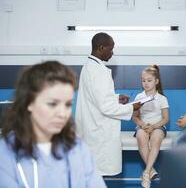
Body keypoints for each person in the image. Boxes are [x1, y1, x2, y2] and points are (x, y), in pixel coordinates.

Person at [0, 61, 106, 188]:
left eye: (67, 104)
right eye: (52, 104)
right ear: (29, 103)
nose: (63, 114)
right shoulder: (6, 152)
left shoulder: (77, 148)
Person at [75, 32, 142, 176]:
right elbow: (105, 107)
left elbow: (95, 98)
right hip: (99, 132)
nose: (112, 53)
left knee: (91, 173)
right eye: (110, 49)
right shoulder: (98, 71)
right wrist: (132, 107)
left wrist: (116, 97)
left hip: (92, 128)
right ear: (101, 48)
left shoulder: (88, 67)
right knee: (97, 173)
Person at [132, 65, 169, 188]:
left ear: (156, 81)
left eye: (149, 80)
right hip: (143, 127)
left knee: (156, 138)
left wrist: (153, 127)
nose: (146, 83)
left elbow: (165, 118)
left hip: (157, 127)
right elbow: (135, 117)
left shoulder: (162, 98)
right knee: (141, 136)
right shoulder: (139, 97)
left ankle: (146, 173)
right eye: (143, 80)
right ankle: (151, 170)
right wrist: (142, 125)